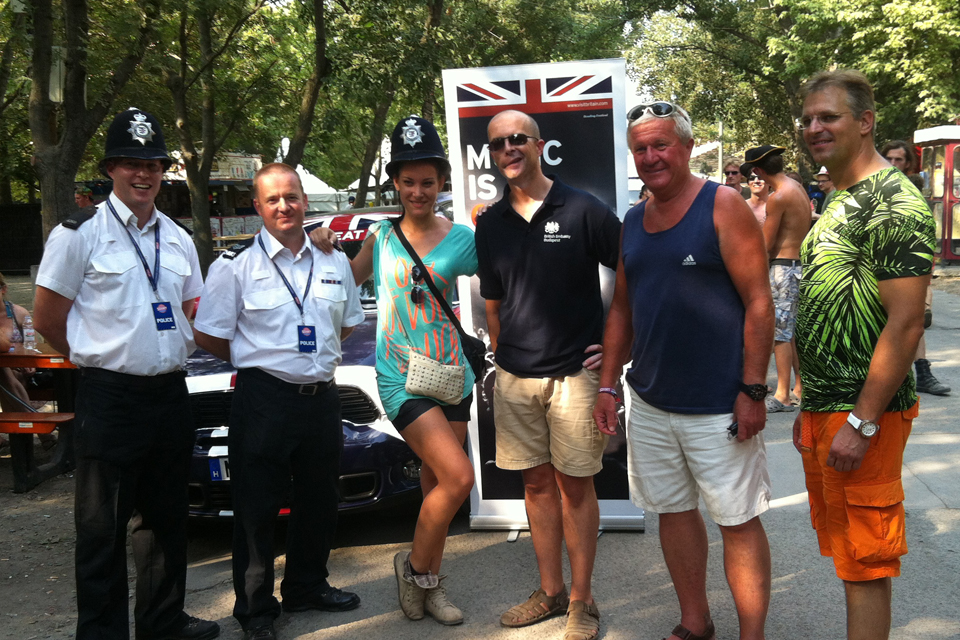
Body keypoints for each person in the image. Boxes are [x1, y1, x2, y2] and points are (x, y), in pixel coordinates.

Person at [32, 109, 218, 640]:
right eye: (133, 163)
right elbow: (48, 319)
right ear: (112, 168)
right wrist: (97, 358)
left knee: (165, 523)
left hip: (169, 396)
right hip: (110, 397)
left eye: (153, 164)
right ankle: (102, 633)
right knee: (101, 530)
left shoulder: (179, 240)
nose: (144, 174)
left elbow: (191, 311)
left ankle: (162, 623)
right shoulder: (79, 234)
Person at [594, 101, 774, 640]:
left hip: (720, 402)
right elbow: (622, 307)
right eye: (640, 149)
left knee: (737, 521)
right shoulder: (633, 219)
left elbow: (759, 302)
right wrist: (607, 382)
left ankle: (753, 636)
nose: (650, 157)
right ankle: (695, 623)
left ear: (687, 146)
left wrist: (753, 389)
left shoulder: (723, 205)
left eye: (661, 145)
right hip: (650, 402)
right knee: (673, 514)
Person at [310, 115, 479, 626]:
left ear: (442, 183)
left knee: (436, 489)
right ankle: (415, 572)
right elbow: (344, 278)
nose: (418, 191)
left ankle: (429, 585)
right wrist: (317, 244)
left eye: (428, 182)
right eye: (408, 181)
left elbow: (509, 275)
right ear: (396, 184)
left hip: (452, 375)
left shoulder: (464, 238)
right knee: (459, 478)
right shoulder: (381, 237)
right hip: (400, 375)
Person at [193, 163, 364, 640]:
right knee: (256, 505)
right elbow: (208, 334)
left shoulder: (332, 261)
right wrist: (259, 358)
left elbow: (346, 322)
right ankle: (255, 609)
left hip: (321, 398)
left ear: (305, 200)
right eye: (273, 199)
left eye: (291, 196)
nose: (284, 206)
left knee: (319, 498)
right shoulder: (235, 266)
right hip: (263, 397)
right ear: (258, 207)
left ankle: (307, 585)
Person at [794, 70, 935, 640]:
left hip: (860, 414)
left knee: (867, 562)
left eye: (828, 117)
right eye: (808, 119)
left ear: (866, 122)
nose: (814, 128)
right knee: (848, 555)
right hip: (826, 408)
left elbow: (904, 326)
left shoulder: (894, 203)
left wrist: (862, 421)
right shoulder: (839, 197)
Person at [475, 109, 621, 640]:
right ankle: (551, 591)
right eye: (497, 144)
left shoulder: (583, 209)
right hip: (515, 377)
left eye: (517, 139)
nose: (508, 149)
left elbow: (630, 274)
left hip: (574, 379)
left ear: (539, 145)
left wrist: (612, 347)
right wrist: (502, 353)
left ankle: (583, 601)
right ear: (492, 155)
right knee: (535, 485)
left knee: (576, 488)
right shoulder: (489, 223)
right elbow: (493, 302)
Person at [741, 145, 812, 411]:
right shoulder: (797, 188)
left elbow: (765, 244)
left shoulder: (779, 196)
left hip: (782, 267)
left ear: (757, 169)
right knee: (791, 331)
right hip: (797, 264)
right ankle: (798, 387)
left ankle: (782, 395)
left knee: (781, 333)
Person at [879, 140, 949, 396]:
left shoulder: (913, 193)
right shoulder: (873, 189)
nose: (894, 164)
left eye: (899, 160)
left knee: (913, 321)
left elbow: (923, 236)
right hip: (875, 269)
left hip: (907, 268)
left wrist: (925, 275)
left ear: (908, 164)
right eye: (889, 159)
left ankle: (922, 373)